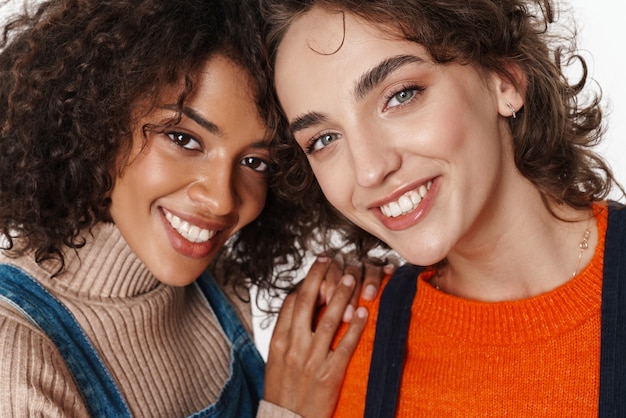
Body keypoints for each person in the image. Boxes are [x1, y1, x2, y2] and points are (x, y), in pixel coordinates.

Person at [0, 0, 378, 416]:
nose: (221, 200)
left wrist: (347, 292)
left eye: (256, 162)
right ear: (94, 119)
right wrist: (287, 409)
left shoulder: (212, 282)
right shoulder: (17, 358)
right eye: (183, 139)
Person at [262, 0, 626, 416]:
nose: (369, 170)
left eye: (400, 96)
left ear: (504, 80)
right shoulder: (332, 352)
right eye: (324, 139)